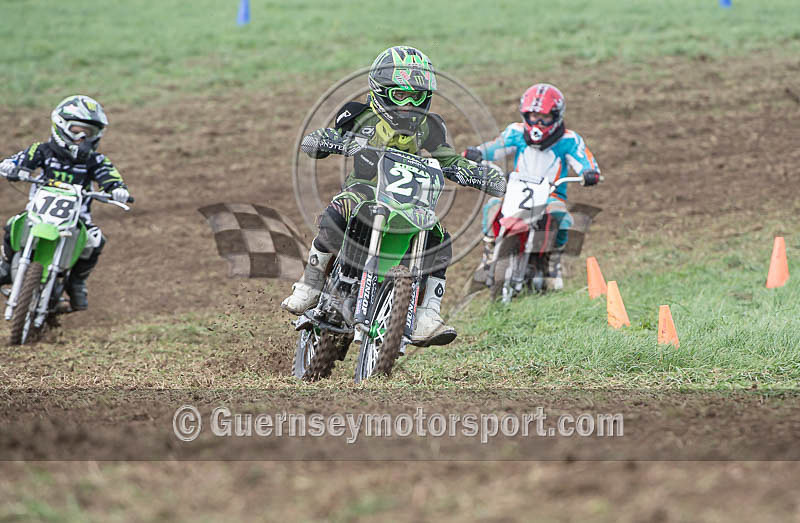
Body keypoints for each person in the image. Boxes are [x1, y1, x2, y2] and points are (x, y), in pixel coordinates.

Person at [282, 45, 506, 346]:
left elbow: (448, 159)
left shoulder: (431, 126)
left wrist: (477, 172)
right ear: (382, 89)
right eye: (401, 94)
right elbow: (319, 141)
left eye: (417, 95)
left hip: (410, 202)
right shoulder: (359, 114)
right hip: (364, 191)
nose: (409, 102)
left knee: (439, 238)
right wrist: (334, 141)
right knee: (338, 211)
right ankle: (310, 284)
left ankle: (427, 313)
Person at [463, 83, 601, 290]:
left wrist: (589, 173)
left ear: (556, 116)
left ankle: (553, 262)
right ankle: (490, 252)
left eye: (544, 117)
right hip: (516, 190)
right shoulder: (516, 132)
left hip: (552, 193)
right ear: (524, 115)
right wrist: (479, 153)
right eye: (533, 116)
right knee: (492, 207)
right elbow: (496, 147)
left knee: (562, 219)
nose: (537, 122)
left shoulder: (569, 140)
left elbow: (585, 160)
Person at [0, 95, 131, 310]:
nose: (82, 138)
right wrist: (11, 166)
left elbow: (109, 175)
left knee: (96, 241)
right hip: (38, 213)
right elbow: (21, 159)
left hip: (77, 218)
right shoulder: (42, 150)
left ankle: (76, 282)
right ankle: (6, 265)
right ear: (61, 126)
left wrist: (117, 189)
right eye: (77, 130)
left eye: (89, 134)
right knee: (14, 223)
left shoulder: (95, 160)